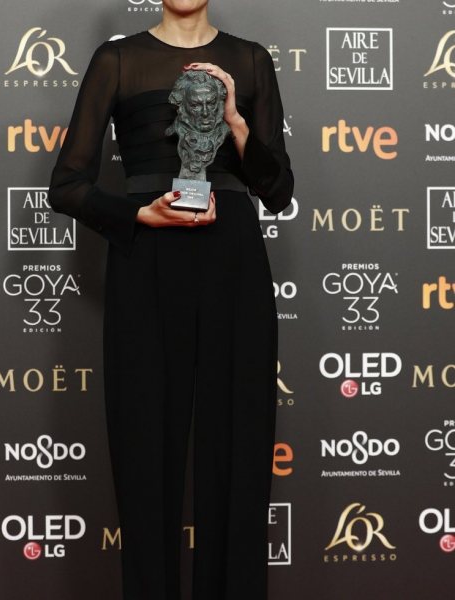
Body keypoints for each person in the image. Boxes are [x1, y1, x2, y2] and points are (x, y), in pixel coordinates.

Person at [48, 1, 294, 598]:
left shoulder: (251, 61)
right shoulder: (118, 59)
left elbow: (279, 191)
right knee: (143, 447)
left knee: (238, 446)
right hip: (147, 261)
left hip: (233, 262)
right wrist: (138, 214)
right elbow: (67, 185)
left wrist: (236, 121)